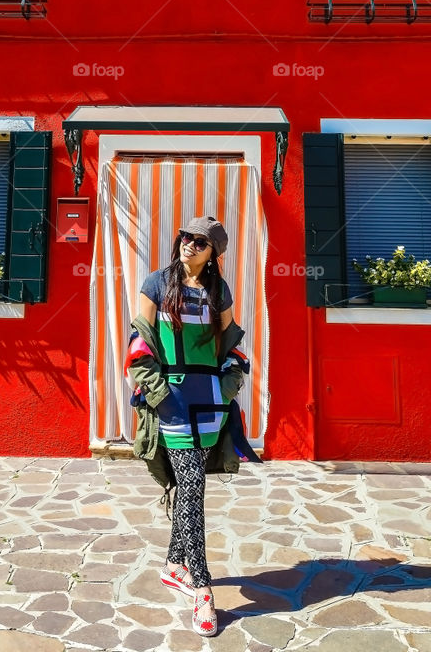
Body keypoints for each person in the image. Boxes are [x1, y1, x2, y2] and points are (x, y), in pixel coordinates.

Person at [125, 214, 261, 637]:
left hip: (210, 402)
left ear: (214, 254)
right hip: (174, 400)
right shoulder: (156, 283)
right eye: (187, 236)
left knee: (190, 485)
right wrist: (158, 393)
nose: (190, 244)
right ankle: (202, 587)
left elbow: (233, 348)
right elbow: (139, 342)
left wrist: (228, 386)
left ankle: (172, 565)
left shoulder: (218, 290)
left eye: (201, 242)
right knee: (193, 487)